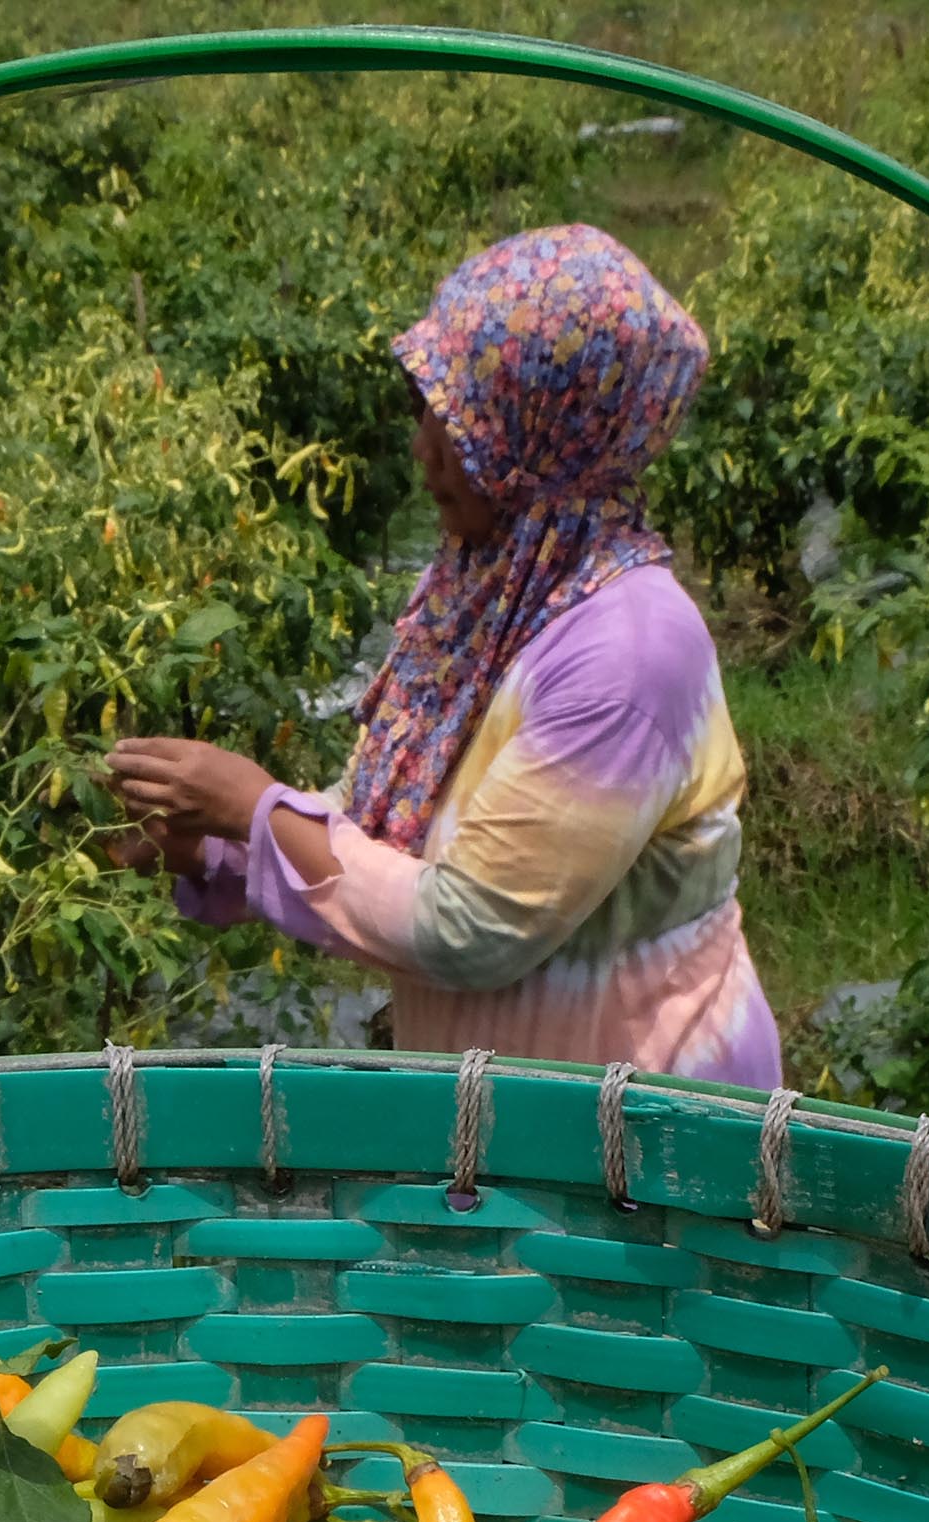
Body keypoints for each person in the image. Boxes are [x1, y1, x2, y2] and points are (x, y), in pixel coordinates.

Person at [107, 224, 776, 1084]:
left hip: (654, 1135)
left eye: (459, 418)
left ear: (545, 432)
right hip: (512, 1123)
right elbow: (387, 818)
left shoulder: (631, 655)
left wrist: (254, 810)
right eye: (428, 406)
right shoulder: (491, 592)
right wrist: (210, 846)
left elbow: (471, 929)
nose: (423, 444)